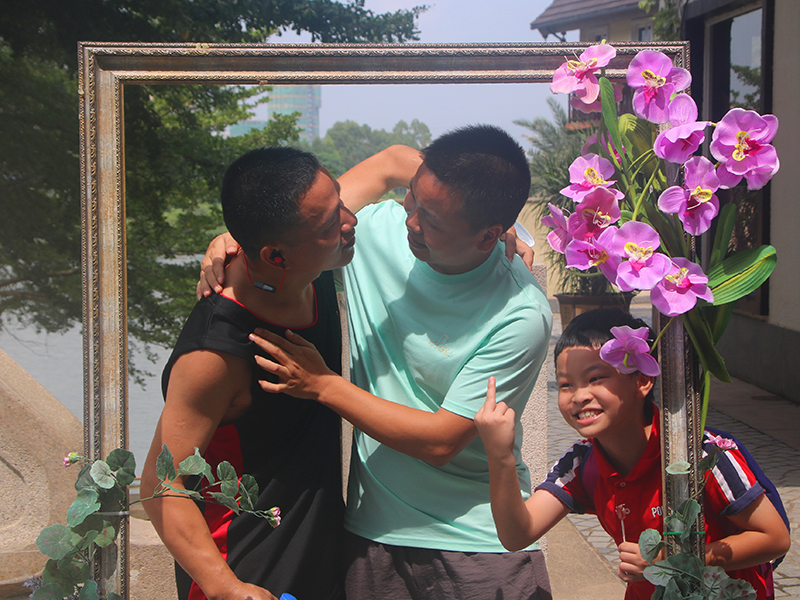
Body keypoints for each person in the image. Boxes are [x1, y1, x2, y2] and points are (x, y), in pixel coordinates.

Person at [200, 126, 554, 599]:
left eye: (431, 219)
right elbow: (370, 176)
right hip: (371, 538)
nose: (412, 223)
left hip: (478, 546)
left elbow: (441, 440)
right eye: (413, 200)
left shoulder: (520, 313)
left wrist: (323, 384)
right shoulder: (374, 232)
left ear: (489, 235)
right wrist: (238, 238)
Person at [140, 146, 358, 600]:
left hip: (321, 560)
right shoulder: (216, 351)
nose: (349, 221)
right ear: (275, 257)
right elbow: (163, 484)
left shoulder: (310, 254)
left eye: (340, 200)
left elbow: (395, 162)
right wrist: (227, 588)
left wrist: (499, 225)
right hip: (246, 571)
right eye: (329, 223)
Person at [474, 308, 791, 600]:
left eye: (595, 379)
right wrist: (500, 455)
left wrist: (674, 560)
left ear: (642, 380)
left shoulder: (704, 455)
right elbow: (517, 535)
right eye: (566, 384)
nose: (579, 396)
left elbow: (774, 538)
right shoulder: (581, 464)